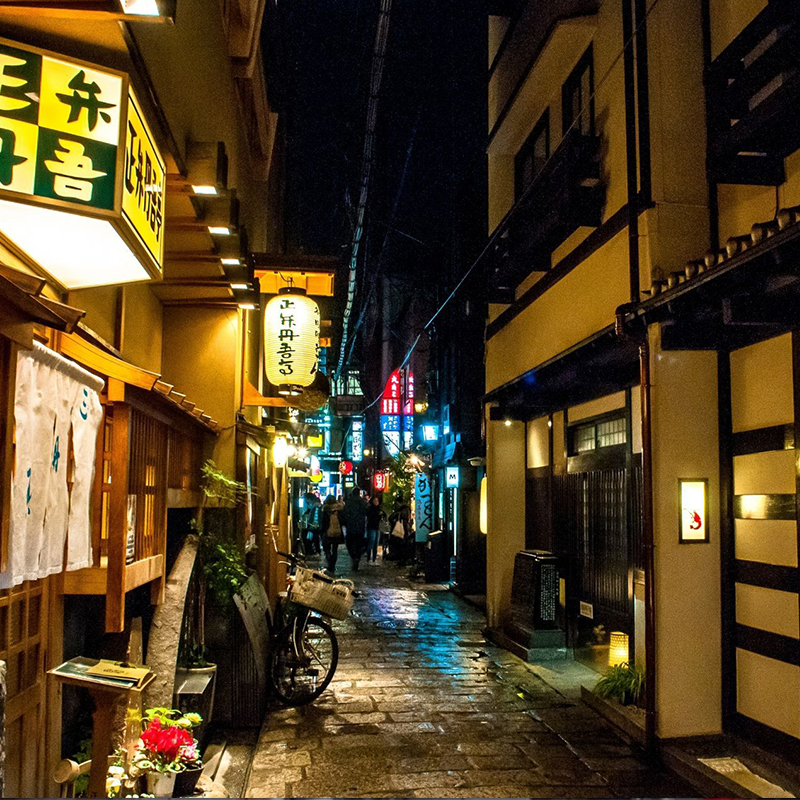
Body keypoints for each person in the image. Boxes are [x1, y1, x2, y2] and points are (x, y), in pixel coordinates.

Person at [342, 487, 368, 571]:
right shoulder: (362, 502)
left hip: (350, 527)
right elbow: (366, 513)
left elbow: (345, 514)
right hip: (360, 527)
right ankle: (357, 557)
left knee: (350, 543)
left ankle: (354, 557)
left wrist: (345, 523)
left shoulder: (348, 502)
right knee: (359, 544)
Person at [320, 494, 344, 575]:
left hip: (327, 532)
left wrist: (322, 531)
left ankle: (329, 560)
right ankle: (332, 566)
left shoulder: (325, 509)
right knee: (335, 549)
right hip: (337, 532)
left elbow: (323, 522)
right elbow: (342, 521)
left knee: (326, 548)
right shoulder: (339, 509)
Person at [388, 492, 413, 565]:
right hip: (405, 530)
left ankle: (401, 559)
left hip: (400, 531)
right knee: (403, 545)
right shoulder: (407, 509)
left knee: (400, 544)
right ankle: (403, 559)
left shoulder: (400, 511)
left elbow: (391, 518)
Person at [365, 495, 384, 563]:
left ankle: (374, 558)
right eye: (375, 501)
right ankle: (369, 557)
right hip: (371, 527)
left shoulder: (379, 509)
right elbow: (370, 517)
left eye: (377, 501)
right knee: (371, 542)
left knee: (376, 543)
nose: (376, 502)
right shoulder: (370, 509)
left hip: (377, 527)